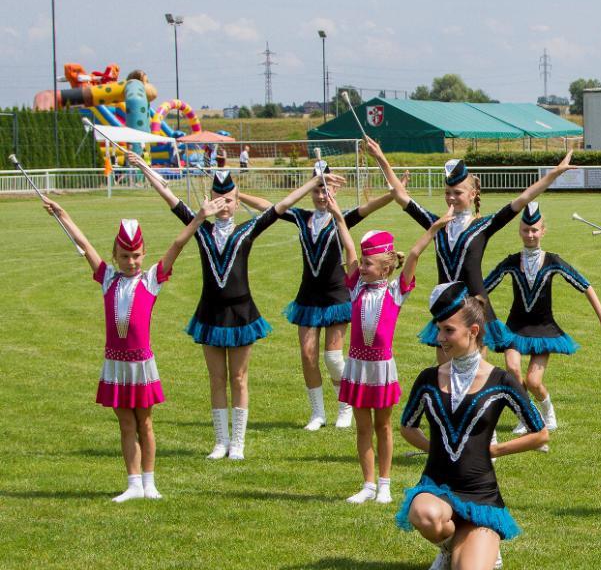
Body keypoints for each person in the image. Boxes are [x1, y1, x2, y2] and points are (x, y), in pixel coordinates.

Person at [130, 151, 321, 460]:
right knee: (217, 379)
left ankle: (238, 442)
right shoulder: (201, 228)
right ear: (210, 199)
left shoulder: (247, 229)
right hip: (210, 313)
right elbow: (171, 198)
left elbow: (282, 205)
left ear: (236, 200)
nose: (224, 205)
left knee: (239, 378)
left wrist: (314, 180)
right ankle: (220, 441)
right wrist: (144, 168)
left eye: (229, 200)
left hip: (241, 313)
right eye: (219, 200)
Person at [42, 199, 204, 501]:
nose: (131, 262)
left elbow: (178, 244)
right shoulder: (107, 279)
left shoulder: (151, 280)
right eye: (125, 256)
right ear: (115, 256)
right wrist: (62, 214)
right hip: (115, 365)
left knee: (146, 423)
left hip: (141, 365)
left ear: (144, 254)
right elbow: (84, 244)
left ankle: (150, 483)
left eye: (136, 256)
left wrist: (199, 218)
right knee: (126, 424)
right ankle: (133, 484)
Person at [362, 138, 577, 361]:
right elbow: (400, 196)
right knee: (444, 372)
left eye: (457, 192)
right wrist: (381, 158)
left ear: (472, 194)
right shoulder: (437, 225)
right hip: (445, 307)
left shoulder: (483, 226)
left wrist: (554, 173)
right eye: (447, 192)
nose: (451, 197)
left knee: (475, 375)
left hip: (476, 309)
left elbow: (523, 198)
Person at [398, 283, 549, 570]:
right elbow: (407, 426)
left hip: (480, 494)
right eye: (439, 330)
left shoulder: (501, 380)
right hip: (436, 488)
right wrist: (434, 449)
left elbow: (540, 434)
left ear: (473, 331)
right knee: (424, 514)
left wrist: (495, 450)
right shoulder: (428, 379)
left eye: (448, 331)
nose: (440, 338)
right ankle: (447, 546)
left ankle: (477, 544)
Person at [237, 162, 399, 432]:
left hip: (336, 295)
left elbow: (369, 207)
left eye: (327, 189)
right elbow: (268, 206)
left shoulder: (342, 217)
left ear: (335, 190)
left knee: (333, 357)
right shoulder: (301, 217)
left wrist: (393, 194)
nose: (322, 195)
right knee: (307, 354)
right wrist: (238, 194)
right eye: (317, 189)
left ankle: (345, 406)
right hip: (308, 296)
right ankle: (317, 413)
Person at [329, 192, 452, 504]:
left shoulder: (396, 292)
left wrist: (434, 228)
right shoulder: (356, 287)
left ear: (384, 267)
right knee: (362, 428)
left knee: (383, 426)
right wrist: (338, 216)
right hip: (357, 366)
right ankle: (367, 485)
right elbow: (347, 245)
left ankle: (384, 484)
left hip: (382, 368)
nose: (361, 266)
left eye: (367, 263)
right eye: (362, 262)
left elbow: (413, 254)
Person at [485, 202, 601, 436]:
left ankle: (548, 412)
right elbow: (483, 287)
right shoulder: (512, 261)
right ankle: (526, 415)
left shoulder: (553, 261)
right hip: (515, 328)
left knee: (533, 382)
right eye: (526, 230)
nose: (530, 234)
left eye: (534, 230)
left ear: (543, 231)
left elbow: (585, 285)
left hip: (544, 329)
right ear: (519, 231)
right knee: (512, 369)